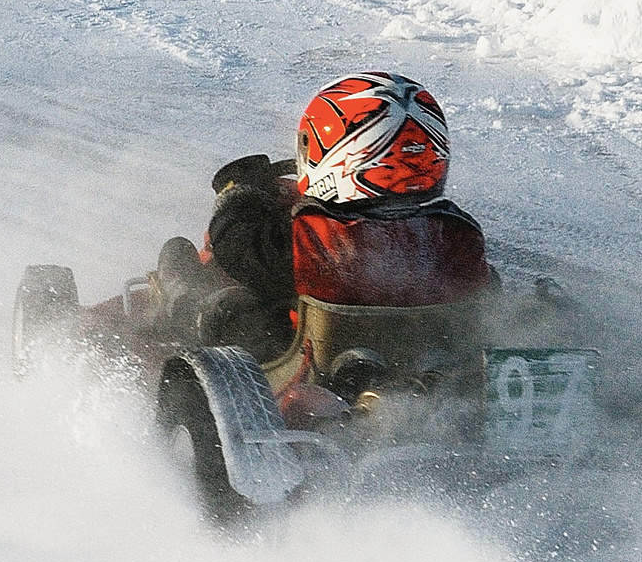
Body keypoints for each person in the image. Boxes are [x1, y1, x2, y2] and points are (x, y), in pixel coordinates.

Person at [159, 72, 489, 360]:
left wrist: (237, 195)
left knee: (226, 302)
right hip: (430, 356)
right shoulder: (457, 234)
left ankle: (180, 300)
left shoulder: (316, 239)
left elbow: (236, 246)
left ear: (343, 153)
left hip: (315, 369)